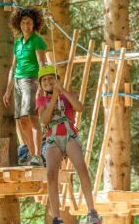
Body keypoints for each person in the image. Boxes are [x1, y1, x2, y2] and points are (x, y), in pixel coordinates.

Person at [36, 65, 101, 224]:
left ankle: (92, 212)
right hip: (52, 139)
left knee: (81, 168)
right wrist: (53, 98)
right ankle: (57, 218)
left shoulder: (68, 95)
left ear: (57, 79)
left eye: (51, 78)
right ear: (41, 84)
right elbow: (44, 120)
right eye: (44, 80)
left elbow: (79, 108)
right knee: (51, 174)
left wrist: (62, 91)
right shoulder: (41, 100)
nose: (48, 81)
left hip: (69, 135)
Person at [3, 8, 46, 166]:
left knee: (33, 118)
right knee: (22, 120)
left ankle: (38, 155)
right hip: (18, 83)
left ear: (34, 24)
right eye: (23, 22)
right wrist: (8, 90)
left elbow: (42, 63)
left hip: (31, 81)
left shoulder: (37, 41)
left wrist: (40, 85)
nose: (26, 25)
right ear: (18, 24)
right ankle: (31, 153)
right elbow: (13, 68)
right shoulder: (18, 43)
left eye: (29, 22)